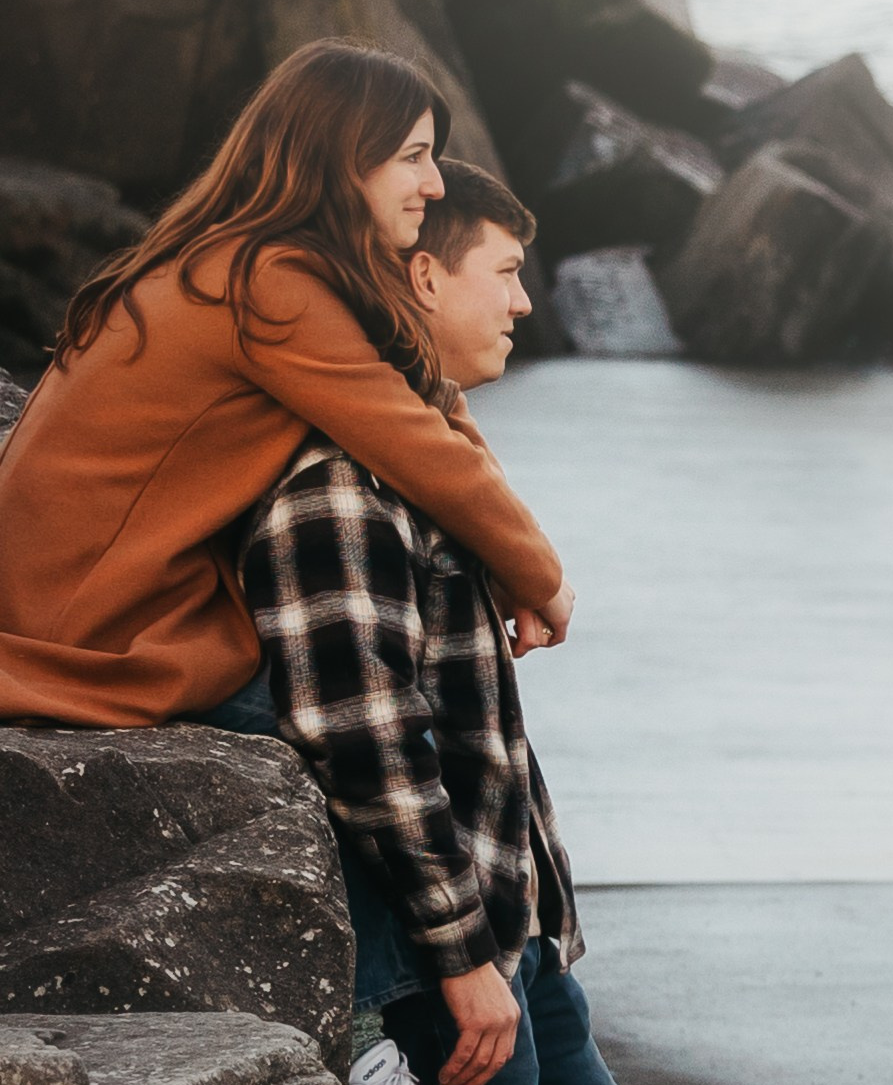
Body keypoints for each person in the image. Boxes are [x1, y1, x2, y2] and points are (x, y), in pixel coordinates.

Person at [235, 155, 851, 1085]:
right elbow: (361, 745)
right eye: (500, 269)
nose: (525, 297)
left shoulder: (426, 463)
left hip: (512, 932)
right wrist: (456, 963)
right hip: (448, 953)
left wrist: (526, 937)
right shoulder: (335, 492)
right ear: (415, 277)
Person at [0, 40, 571, 731]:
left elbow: (425, 399)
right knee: (398, 715)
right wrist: (542, 578)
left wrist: (514, 562)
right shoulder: (266, 287)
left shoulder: (243, 259)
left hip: (78, 606)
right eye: (412, 158)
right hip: (97, 637)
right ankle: (444, 838)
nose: (436, 185)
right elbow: (418, 448)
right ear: (344, 157)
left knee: (392, 687)